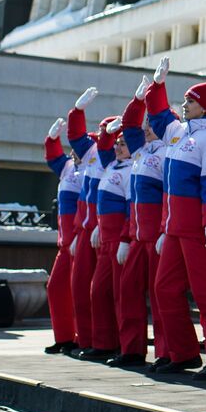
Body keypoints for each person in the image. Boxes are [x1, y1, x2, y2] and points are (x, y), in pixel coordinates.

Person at [146, 59, 206, 377]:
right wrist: (157, 86)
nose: (184, 106)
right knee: (164, 288)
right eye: (184, 101)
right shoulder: (179, 132)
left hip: (198, 228)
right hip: (174, 229)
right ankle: (183, 353)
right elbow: (157, 115)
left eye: (190, 101)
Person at [115, 80, 166, 368]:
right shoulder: (141, 152)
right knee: (128, 292)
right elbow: (129, 125)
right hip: (137, 237)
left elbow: (168, 196)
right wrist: (138, 99)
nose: (146, 127)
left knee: (161, 296)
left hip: (157, 235)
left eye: (152, 122)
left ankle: (167, 352)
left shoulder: (168, 150)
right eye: (146, 123)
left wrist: (161, 230)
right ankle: (132, 349)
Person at [65, 88, 108, 357]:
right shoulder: (91, 150)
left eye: (109, 130)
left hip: (104, 229)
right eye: (102, 129)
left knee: (100, 291)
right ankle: (86, 340)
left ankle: (104, 341)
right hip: (86, 229)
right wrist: (77, 112)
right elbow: (75, 136)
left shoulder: (113, 153)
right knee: (80, 287)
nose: (105, 133)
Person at [84, 115, 129, 362]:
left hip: (120, 242)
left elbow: (131, 209)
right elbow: (103, 148)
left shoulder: (132, 168)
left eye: (123, 143)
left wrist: (125, 238)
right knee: (99, 292)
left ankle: (128, 347)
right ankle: (103, 343)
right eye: (117, 143)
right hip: (105, 240)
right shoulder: (113, 165)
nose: (117, 147)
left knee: (122, 296)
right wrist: (99, 227)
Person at [42, 117, 79, 355]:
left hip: (81, 241)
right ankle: (64, 337)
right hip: (65, 244)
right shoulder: (67, 167)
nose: (74, 152)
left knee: (79, 292)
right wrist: (52, 138)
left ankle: (81, 337)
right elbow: (53, 157)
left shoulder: (93, 169)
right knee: (56, 288)